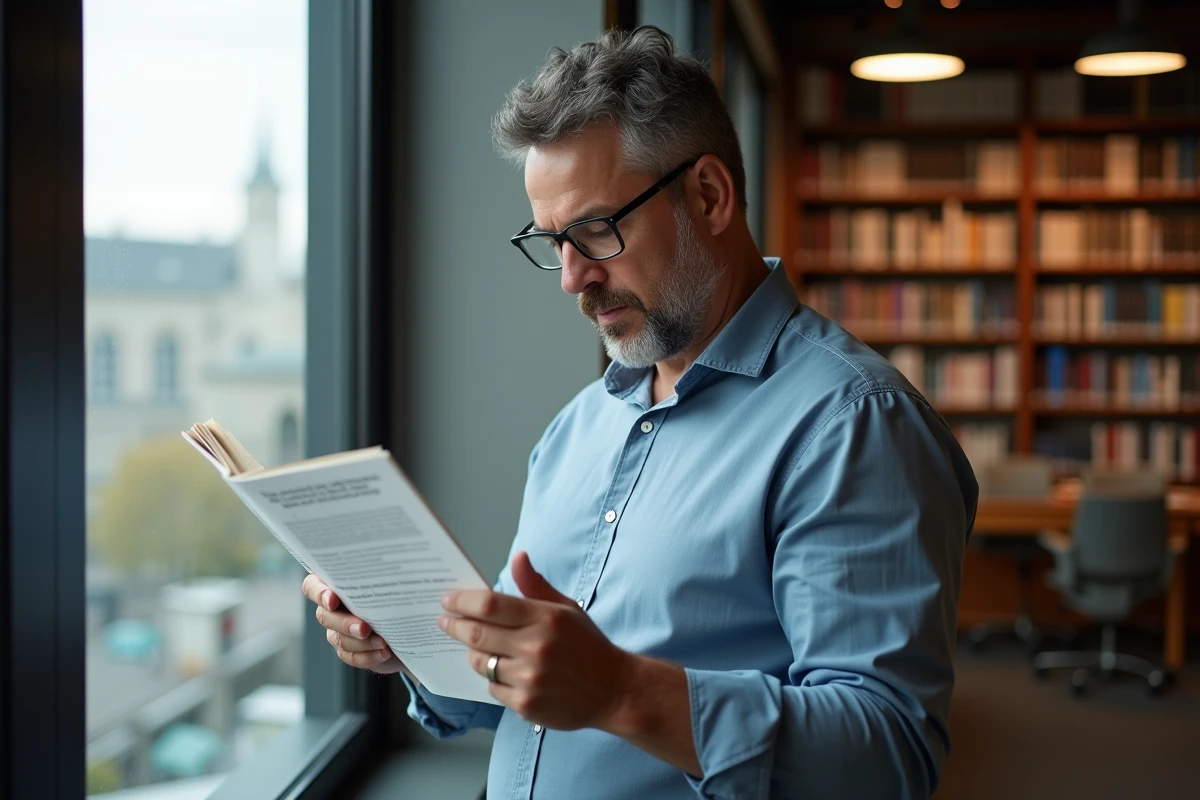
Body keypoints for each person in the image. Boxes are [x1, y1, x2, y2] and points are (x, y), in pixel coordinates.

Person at [302, 25, 976, 800]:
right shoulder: (578, 429)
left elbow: (886, 760)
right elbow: (525, 684)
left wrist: (622, 693)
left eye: (595, 229)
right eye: (553, 241)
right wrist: (413, 643)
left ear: (710, 196)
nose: (571, 279)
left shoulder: (856, 424)